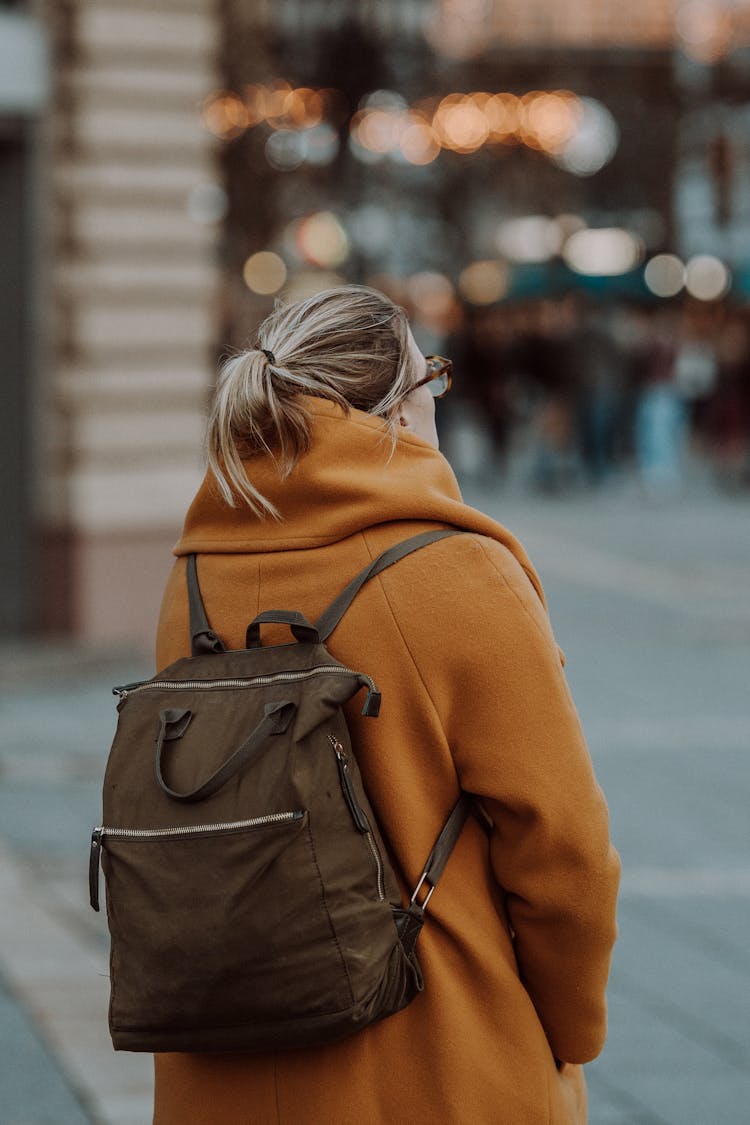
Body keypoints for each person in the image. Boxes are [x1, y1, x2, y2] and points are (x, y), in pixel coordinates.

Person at [153, 284, 620, 1125]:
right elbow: (563, 849)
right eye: (428, 379)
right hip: (433, 1056)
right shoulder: (457, 573)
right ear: (396, 415)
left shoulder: (192, 574)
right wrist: (570, 1025)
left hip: (220, 1062)